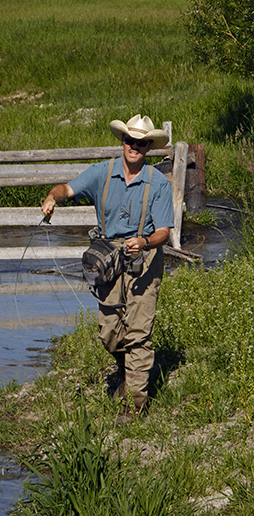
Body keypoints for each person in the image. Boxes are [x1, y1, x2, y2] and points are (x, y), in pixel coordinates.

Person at [41, 114, 174, 418]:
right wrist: (52, 197)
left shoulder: (159, 183)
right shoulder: (102, 172)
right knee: (110, 333)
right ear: (122, 141)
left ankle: (134, 406)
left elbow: (164, 233)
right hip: (108, 258)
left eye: (141, 143)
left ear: (149, 146)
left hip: (146, 257)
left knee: (138, 332)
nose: (134, 146)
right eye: (130, 140)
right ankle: (128, 372)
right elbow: (68, 188)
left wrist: (144, 242)